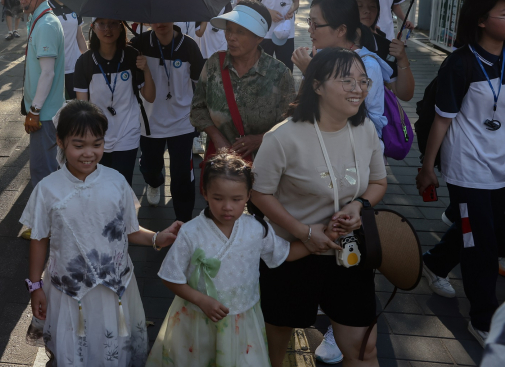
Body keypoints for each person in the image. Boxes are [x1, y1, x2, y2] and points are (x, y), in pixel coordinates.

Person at [252, 48, 388, 367]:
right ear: (316, 86)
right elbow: (258, 194)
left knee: (363, 350)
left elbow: (379, 183)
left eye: (362, 80)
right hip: (292, 253)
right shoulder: (283, 137)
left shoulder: (364, 128)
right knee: (273, 346)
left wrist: (358, 205)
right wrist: (305, 232)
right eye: (346, 80)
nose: (358, 88)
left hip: (348, 251)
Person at [21, 100, 182, 367]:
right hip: (68, 290)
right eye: (78, 145)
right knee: (73, 351)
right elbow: (39, 239)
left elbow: (128, 231)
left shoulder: (116, 181)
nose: (88, 153)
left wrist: (156, 238)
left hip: (115, 290)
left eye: (97, 144)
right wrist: (35, 286)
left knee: (112, 349)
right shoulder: (47, 189)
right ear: (60, 142)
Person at [146, 152, 316, 367]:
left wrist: (317, 241)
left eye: (236, 199)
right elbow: (170, 277)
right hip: (199, 318)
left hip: (244, 317)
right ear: (205, 193)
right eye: (218, 198)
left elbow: (286, 253)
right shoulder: (191, 232)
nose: (227, 206)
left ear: (248, 196)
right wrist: (202, 300)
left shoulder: (256, 228)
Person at [417, 0, 505, 345]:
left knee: (485, 230)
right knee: (480, 243)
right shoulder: (460, 63)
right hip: (468, 168)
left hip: (500, 165)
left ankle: (435, 262)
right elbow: (441, 120)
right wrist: (426, 167)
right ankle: (483, 318)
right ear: (481, 20)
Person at [190, 0, 296, 161]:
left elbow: (290, 122)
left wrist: (260, 139)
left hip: (265, 163)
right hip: (220, 163)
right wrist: (217, 137)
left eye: (240, 32)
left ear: (259, 37)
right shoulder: (214, 65)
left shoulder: (279, 73)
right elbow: (197, 109)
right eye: (229, 30)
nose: (231, 38)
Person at [132, 22, 206, 222]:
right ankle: (154, 182)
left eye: (166, 16)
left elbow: (202, 84)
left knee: (182, 176)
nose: (161, 22)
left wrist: (201, 119)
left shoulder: (189, 45)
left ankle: (183, 222)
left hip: (182, 122)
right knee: (150, 169)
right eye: (156, 17)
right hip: (149, 122)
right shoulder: (138, 44)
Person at [291, 0, 393, 136]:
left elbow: (362, 119)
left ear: (341, 30)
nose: (309, 29)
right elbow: (301, 104)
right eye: (309, 22)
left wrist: (310, 72)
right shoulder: (318, 55)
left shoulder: (366, 66)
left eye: (316, 24)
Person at [73, 18, 154, 185]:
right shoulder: (85, 62)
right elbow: (83, 107)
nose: (107, 29)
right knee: (98, 187)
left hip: (127, 133)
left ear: (121, 27)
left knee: (122, 185)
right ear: (93, 27)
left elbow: (150, 96)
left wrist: (146, 69)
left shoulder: (132, 55)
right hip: (97, 136)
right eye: (101, 24)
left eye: (113, 24)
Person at [12, 0, 64, 193]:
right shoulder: (39, 18)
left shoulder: (45, 24)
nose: (22, 0)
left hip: (44, 113)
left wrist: (34, 110)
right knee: (45, 170)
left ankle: (47, 224)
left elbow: (47, 74)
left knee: (44, 173)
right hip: (45, 111)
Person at [342, 0, 415, 101]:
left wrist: (402, 59)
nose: (367, 11)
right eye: (359, 6)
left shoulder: (385, 47)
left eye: (373, 6)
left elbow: (405, 94)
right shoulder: (331, 41)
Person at [47, 0, 86, 101]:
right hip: (54, 68)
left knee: (77, 104)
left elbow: (79, 36)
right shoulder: (46, 8)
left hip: (75, 64)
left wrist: (87, 58)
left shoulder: (74, 4)